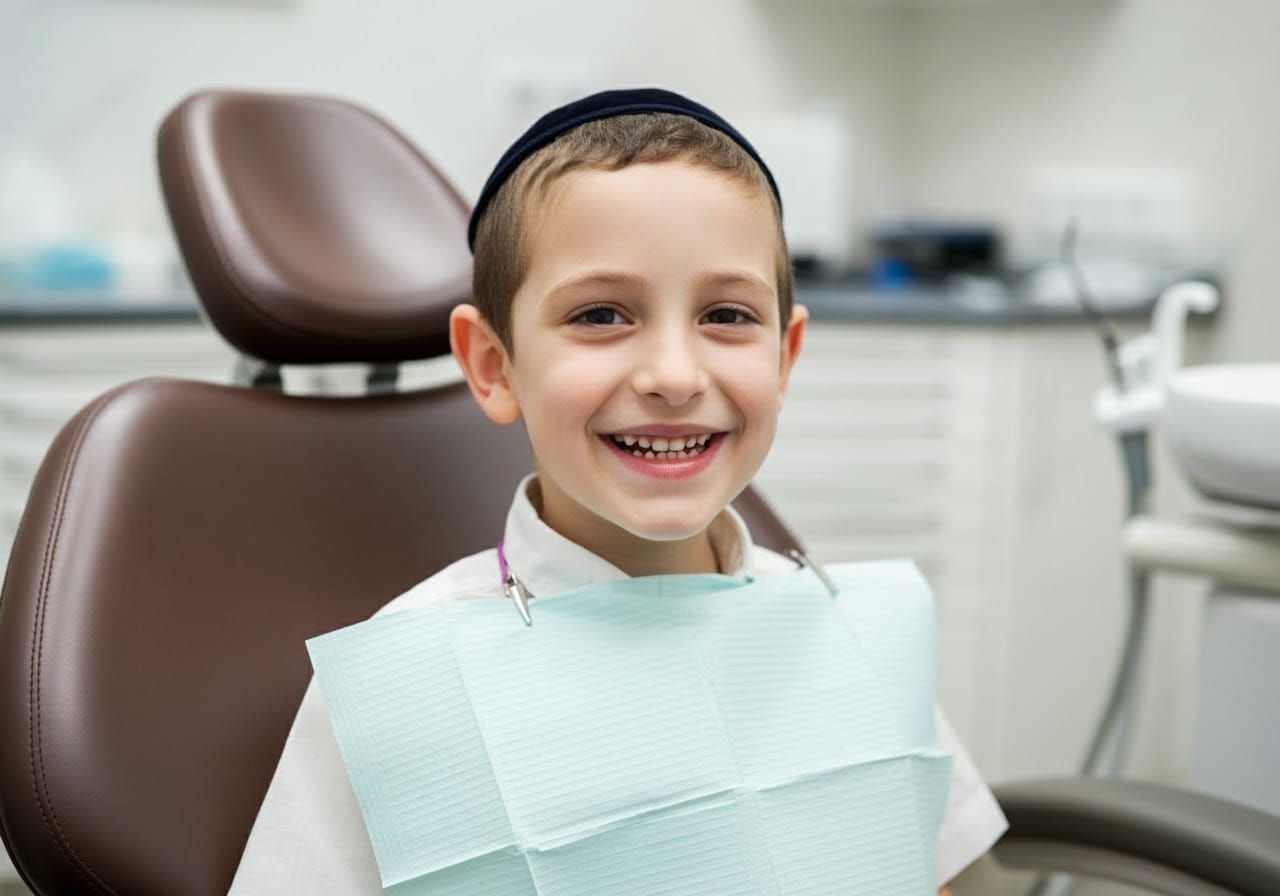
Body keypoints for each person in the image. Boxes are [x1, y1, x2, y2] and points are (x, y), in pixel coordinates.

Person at [228, 87, 1007, 895]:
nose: (673, 375)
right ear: (494, 366)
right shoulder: (408, 688)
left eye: (728, 314)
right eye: (602, 314)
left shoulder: (841, 637)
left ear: (784, 357)